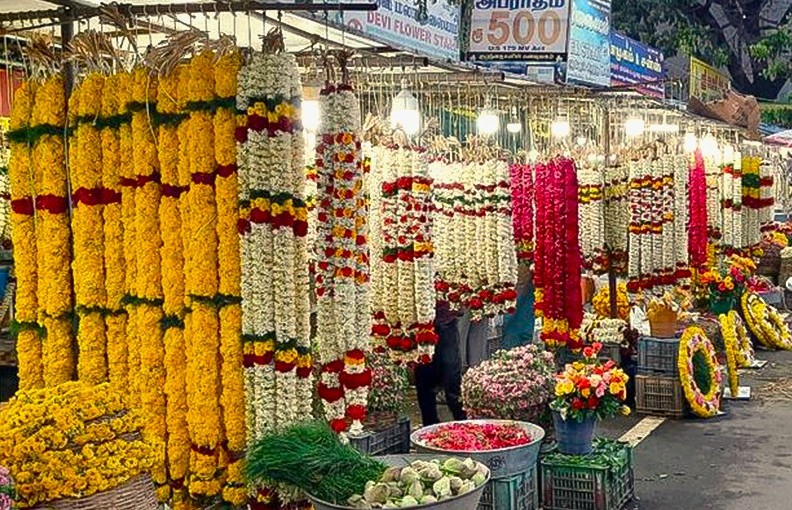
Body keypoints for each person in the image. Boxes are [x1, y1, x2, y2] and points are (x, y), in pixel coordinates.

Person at [414, 300, 467, 426]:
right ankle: (430, 426)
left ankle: (463, 421)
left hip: (445, 323)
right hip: (419, 325)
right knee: (424, 378)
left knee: (452, 377)